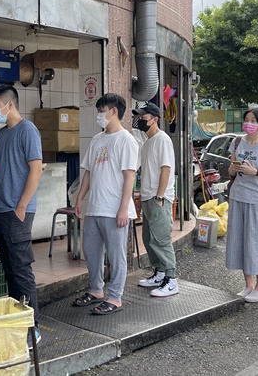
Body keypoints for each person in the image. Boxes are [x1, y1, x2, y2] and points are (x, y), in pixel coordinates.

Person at [0, 85, 43, 344]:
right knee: (9, 269)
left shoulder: (27, 130)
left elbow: (36, 169)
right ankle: (17, 322)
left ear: (10, 104)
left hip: (18, 212)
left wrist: (22, 205)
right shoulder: (1, 135)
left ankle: (33, 328)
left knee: (21, 270)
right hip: (0, 210)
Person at [73, 93, 139, 315]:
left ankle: (116, 297)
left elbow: (130, 177)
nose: (99, 114)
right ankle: (96, 290)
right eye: (98, 110)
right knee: (91, 252)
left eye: (102, 110)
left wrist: (123, 209)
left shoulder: (126, 140)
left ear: (114, 111)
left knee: (116, 255)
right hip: (95, 206)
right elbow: (89, 172)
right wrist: (80, 198)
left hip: (115, 210)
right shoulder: (97, 139)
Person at [225, 108, 258, 303]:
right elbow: (231, 169)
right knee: (240, 239)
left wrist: (254, 172)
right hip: (238, 196)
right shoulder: (237, 142)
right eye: (247, 120)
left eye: (253, 120)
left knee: (256, 241)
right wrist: (233, 169)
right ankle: (248, 285)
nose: (249, 123)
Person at [134, 103, 179, 297]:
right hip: (148, 196)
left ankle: (171, 279)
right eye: (139, 117)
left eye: (144, 117)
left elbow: (166, 168)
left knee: (161, 239)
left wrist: (160, 196)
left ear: (155, 119)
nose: (140, 120)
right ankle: (159, 273)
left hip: (159, 197)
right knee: (149, 238)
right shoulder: (147, 141)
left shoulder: (162, 139)